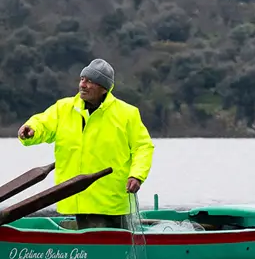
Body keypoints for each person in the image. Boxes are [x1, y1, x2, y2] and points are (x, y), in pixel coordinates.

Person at [17, 58, 154, 230]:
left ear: (104, 88)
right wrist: (31, 130)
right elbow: (43, 123)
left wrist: (137, 176)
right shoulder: (63, 108)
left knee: (115, 246)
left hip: (114, 199)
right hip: (75, 197)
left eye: (90, 81)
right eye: (82, 79)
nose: (83, 84)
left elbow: (143, 147)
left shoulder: (127, 114)